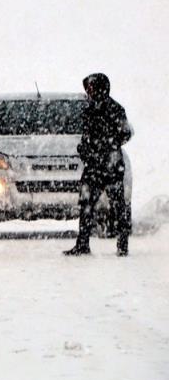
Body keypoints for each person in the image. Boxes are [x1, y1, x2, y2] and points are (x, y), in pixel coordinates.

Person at [65, 72, 133, 256]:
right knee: (86, 204)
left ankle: (122, 245)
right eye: (87, 88)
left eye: (91, 87)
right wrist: (85, 147)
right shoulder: (89, 110)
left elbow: (126, 133)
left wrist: (106, 145)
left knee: (117, 205)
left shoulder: (115, 109)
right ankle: (83, 243)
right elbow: (87, 135)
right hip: (94, 166)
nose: (88, 91)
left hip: (110, 165)